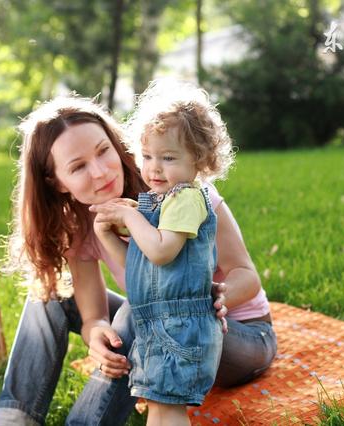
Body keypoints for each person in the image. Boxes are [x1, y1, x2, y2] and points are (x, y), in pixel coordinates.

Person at [0, 94, 276, 426]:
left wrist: (210, 297)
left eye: (103, 152)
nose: (99, 172)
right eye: (78, 166)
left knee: (137, 310)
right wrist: (97, 334)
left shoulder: (178, 190)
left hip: (240, 337)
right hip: (160, 328)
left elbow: (246, 275)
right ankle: (14, 420)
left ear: (117, 145)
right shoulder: (82, 225)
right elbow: (93, 315)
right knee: (50, 295)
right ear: (56, 182)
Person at [90, 79, 231, 425]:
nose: (154, 168)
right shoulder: (158, 203)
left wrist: (128, 216)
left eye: (168, 158)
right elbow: (141, 267)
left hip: (180, 329)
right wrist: (105, 233)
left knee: (167, 410)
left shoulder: (187, 198)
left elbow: (162, 252)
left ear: (200, 160)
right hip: (158, 325)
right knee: (160, 408)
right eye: (147, 156)